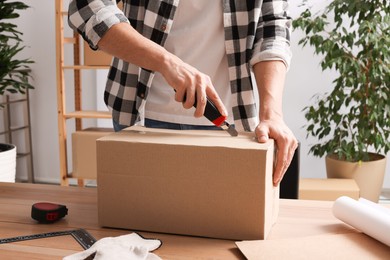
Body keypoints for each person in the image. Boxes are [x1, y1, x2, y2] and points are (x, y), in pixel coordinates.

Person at [68, 0, 298, 186]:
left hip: (230, 127)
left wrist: (272, 113)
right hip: (140, 119)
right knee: (138, 225)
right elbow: (86, 6)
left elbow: (272, 27)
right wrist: (165, 61)